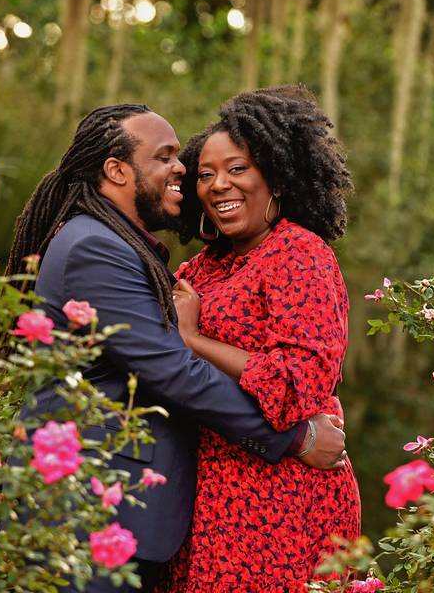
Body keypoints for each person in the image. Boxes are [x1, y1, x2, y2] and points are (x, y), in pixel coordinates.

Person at [3, 103, 348, 592]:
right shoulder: (99, 248)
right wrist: (296, 438)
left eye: (236, 169)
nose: (184, 172)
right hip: (92, 514)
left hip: (253, 505)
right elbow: (174, 370)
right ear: (117, 170)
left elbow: (294, 372)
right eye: (168, 158)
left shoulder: (296, 253)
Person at [167, 85, 361, 592]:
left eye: (237, 169)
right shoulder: (201, 267)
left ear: (275, 175)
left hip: (281, 497)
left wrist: (193, 340)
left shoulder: (299, 254)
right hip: (208, 491)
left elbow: (299, 384)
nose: (218, 185)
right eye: (205, 175)